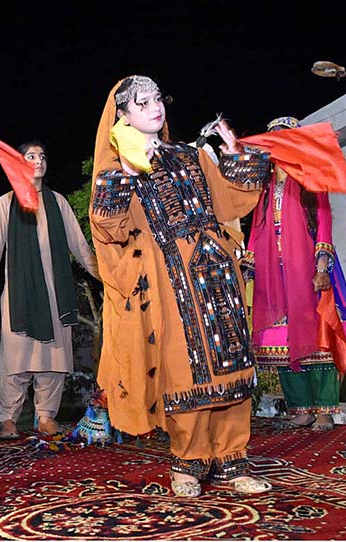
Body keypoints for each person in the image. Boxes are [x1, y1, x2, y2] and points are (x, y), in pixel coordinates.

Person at [90, 75, 273, 497]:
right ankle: (188, 462)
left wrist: (232, 155)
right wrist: (126, 173)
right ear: (123, 115)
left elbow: (231, 199)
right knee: (184, 368)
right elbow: (109, 228)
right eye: (142, 101)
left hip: (216, 272)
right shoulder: (118, 170)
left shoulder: (189, 155)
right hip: (170, 281)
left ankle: (232, 459)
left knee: (232, 363)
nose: (155, 106)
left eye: (158, 98)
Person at [0, 141, 99, 439]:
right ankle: (8, 418)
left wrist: (106, 275)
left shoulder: (59, 203)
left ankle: (45, 416)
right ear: (19, 161)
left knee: (53, 357)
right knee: (17, 357)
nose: (38, 160)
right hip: (19, 295)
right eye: (31, 156)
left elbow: (79, 246)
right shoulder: (4, 204)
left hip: (56, 294)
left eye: (42, 156)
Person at [244, 116, 346, 431]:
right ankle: (301, 408)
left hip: (307, 269)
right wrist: (248, 266)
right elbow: (256, 229)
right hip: (273, 273)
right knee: (281, 343)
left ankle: (324, 410)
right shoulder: (265, 185)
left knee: (317, 339)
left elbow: (323, 221)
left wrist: (322, 265)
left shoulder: (312, 178)